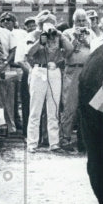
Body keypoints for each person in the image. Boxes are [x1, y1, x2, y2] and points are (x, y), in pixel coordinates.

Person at [25, 14, 71, 152]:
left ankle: (54, 143)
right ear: (41, 24)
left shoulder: (58, 35)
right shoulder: (34, 34)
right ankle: (32, 143)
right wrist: (40, 40)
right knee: (35, 109)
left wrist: (61, 36)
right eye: (47, 23)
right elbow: (28, 53)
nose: (50, 25)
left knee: (54, 108)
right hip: (39, 70)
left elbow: (69, 49)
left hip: (54, 70)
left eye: (52, 23)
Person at [59, 8, 100, 152]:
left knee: (89, 106)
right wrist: (76, 40)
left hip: (89, 70)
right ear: (73, 21)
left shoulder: (92, 34)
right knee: (70, 105)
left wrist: (87, 41)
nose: (81, 23)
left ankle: (86, 140)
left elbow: (96, 51)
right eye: (78, 21)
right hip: (73, 69)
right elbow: (65, 55)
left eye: (83, 20)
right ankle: (65, 138)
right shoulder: (66, 33)